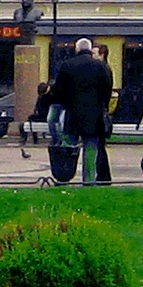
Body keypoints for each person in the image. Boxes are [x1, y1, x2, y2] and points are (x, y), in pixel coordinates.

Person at [47, 38, 116, 186]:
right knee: (91, 149)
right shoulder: (101, 67)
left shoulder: (67, 66)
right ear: (90, 50)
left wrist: (66, 104)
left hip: (73, 115)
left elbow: (58, 92)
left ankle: (65, 176)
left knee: (69, 147)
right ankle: (89, 179)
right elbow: (107, 90)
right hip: (94, 115)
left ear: (76, 49)